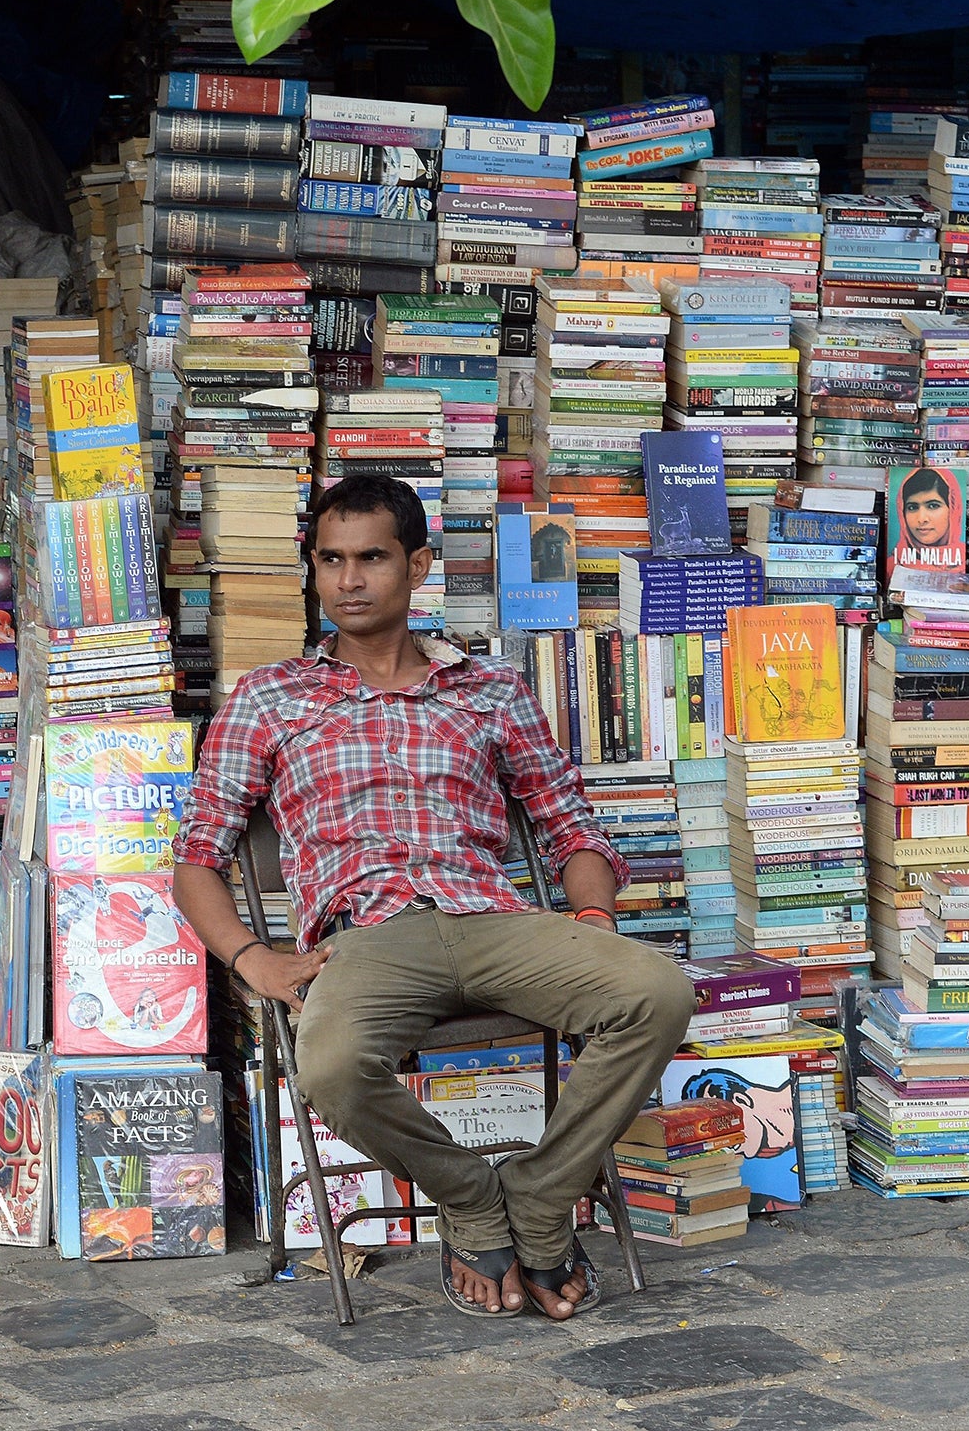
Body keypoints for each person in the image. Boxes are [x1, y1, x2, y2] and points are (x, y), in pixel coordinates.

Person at [172, 474, 696, 1321]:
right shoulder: (269, 699)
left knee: (656, 991)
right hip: (366, 936)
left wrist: (592, 920)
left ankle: (537, 1193)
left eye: (372, 558)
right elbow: (197, 857)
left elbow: (572, 829)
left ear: (417, 566)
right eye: (331, 560)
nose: (349, 580)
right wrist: (250, 956)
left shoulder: (491, 691)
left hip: (494, 920)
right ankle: (471, 1196)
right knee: (332, 1065)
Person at [891, 466, 960, 571]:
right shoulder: (891, 568)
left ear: (953, 509)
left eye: (933, 506)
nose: (922, 519)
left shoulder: (967, 564)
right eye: (912, 507)